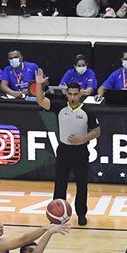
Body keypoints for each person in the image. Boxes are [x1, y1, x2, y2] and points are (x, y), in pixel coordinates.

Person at [35, 70, 101, 226]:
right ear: (66, 95)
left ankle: (81, 214)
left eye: (75, 94)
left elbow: (97, 131)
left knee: (81, 184)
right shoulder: (60, 108)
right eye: (70, 94)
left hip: (80, 151)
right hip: (63, 150)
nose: (72, 97)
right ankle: (57, 215)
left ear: (80, 95)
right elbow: (40, 100)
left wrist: (82, 139)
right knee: (60, 183)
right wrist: (38, 84)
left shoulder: (88, 112)